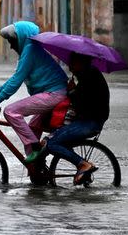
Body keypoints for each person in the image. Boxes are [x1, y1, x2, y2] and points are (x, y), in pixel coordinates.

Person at [0, 21, 68, 164]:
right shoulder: (28, 50)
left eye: (12, 41)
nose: (11, 46)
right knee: (32, 128)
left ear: (22, 37)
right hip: (52, 93)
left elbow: (16, 81)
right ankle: (36, 171)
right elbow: (15, 77)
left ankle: (36, 147)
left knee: (10, 112)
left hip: (54, 94)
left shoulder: (31, 49)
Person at [43, 52, 110, 185]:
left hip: (90, 122)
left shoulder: (90, 76)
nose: (70, 67)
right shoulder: (88, 74)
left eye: (73, 64)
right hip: (87, 120)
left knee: (52, 144)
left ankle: (82, 164)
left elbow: (83, 102)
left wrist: (72, 91)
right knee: (49, 139)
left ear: (81, 63)